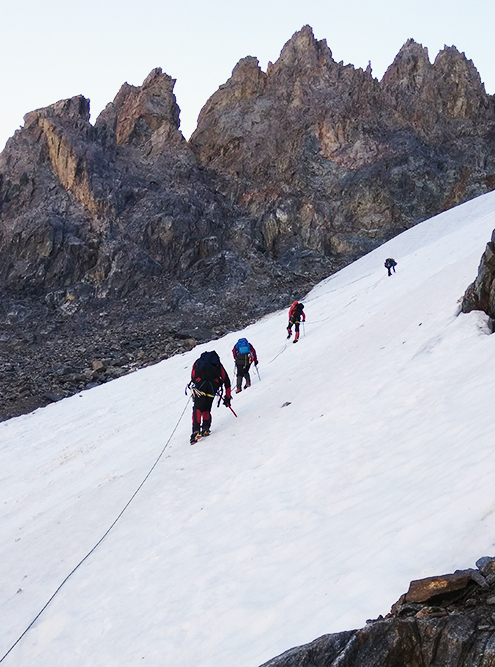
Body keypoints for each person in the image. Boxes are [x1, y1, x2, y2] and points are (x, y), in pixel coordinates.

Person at [189, 351, 231, 444]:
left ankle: (196, 431)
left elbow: (193, 375)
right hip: (213, 386)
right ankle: (205, 428)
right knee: (207, 407)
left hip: (200, 385)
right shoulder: (217, 364)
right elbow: (226, 380)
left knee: (198, 407)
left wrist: (196, 383)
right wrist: (227, 397)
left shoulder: (198, 362)